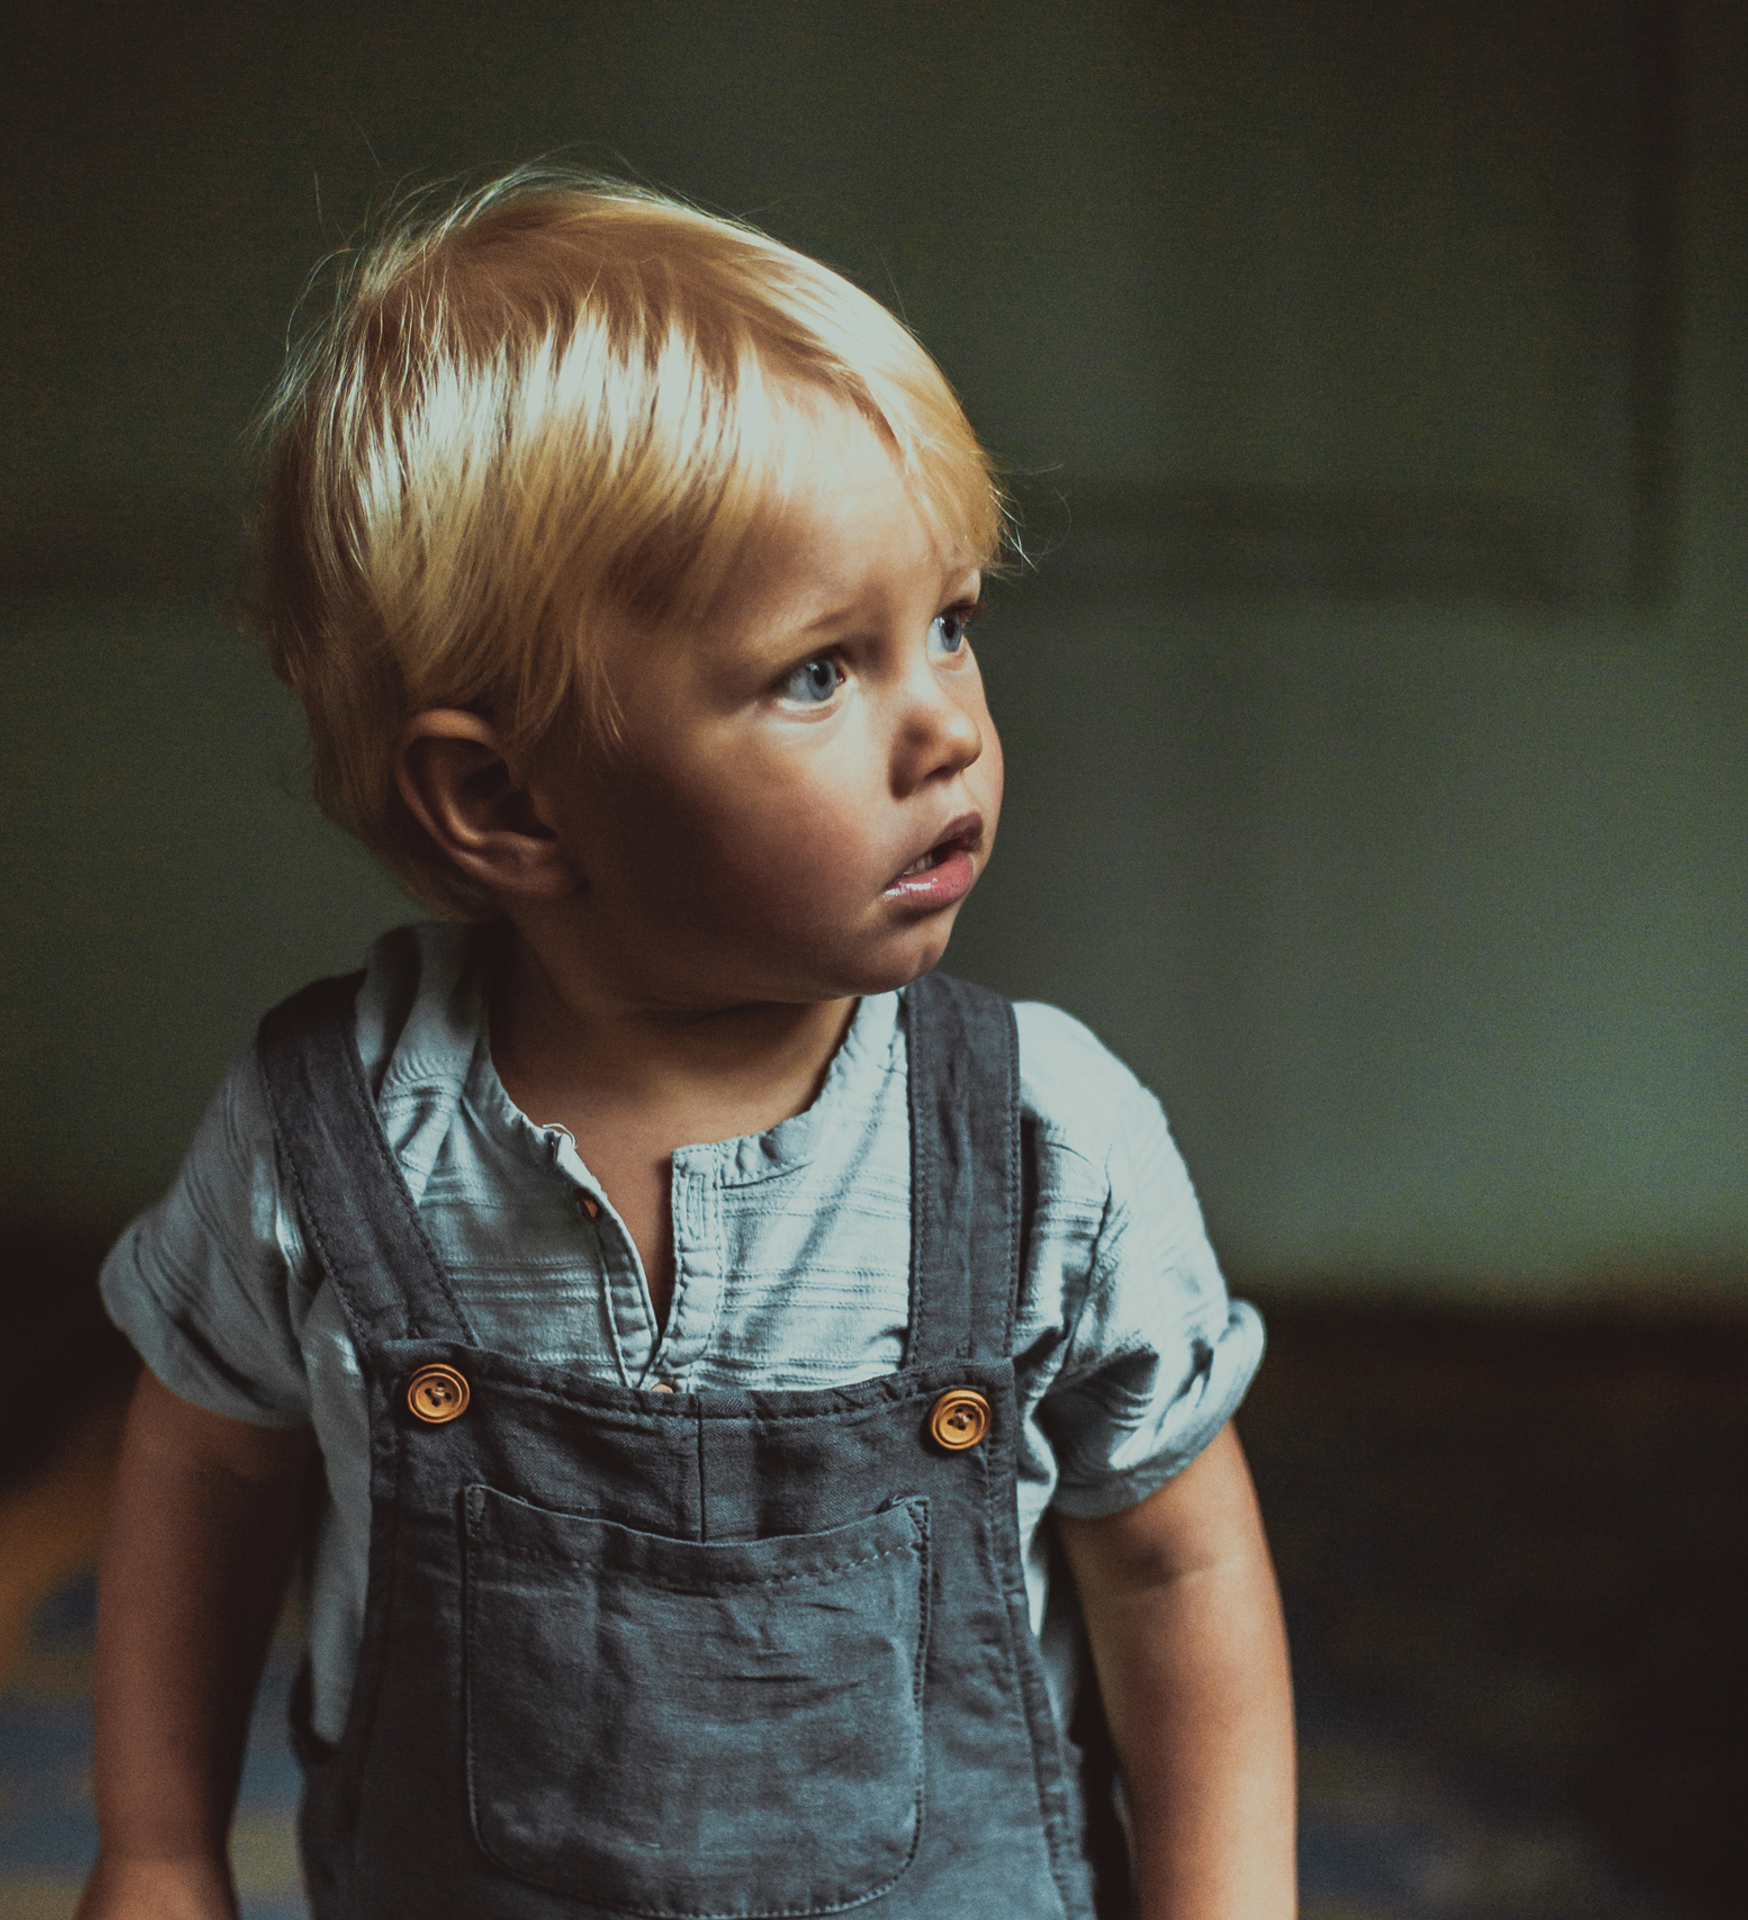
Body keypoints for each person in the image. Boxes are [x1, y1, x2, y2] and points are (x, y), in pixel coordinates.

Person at [78, 168, 1297, 1920]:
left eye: (948, 623)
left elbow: (1177, 1570)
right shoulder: (332, 1133)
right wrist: (153, 1846)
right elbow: (203, 1460)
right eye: (821, 671)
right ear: (504, 798)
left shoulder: (1046, 1142)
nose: (947, 721)